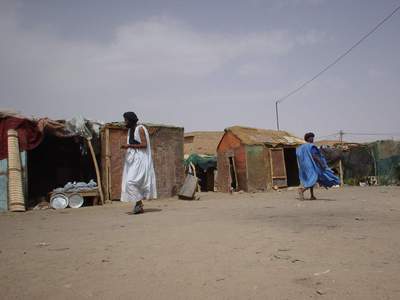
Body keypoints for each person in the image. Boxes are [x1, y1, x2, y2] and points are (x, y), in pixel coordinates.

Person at [120, 112, 157, 214]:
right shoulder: (130, 130)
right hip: (133, 159)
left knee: (130, 182)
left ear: (131, 120)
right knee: (130, 182)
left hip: (141, 159)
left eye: (126, 120)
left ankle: (139, 204)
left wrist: (128, 146)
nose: (125, 122)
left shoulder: (139, 128)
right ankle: (138, 204)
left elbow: (144, 145)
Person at [296, 132, 339, 200]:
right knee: (313, 179)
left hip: (304, 167)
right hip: (311, 166)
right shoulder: (311, 146)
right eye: (311, 137)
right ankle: (302, 190)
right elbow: (315, 156)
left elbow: (299, 156)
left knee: (311, 179)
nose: (312, 139)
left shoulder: (301, 147)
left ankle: (312, 195)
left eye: (313, 137)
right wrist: (322, 164)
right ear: (308, 138)